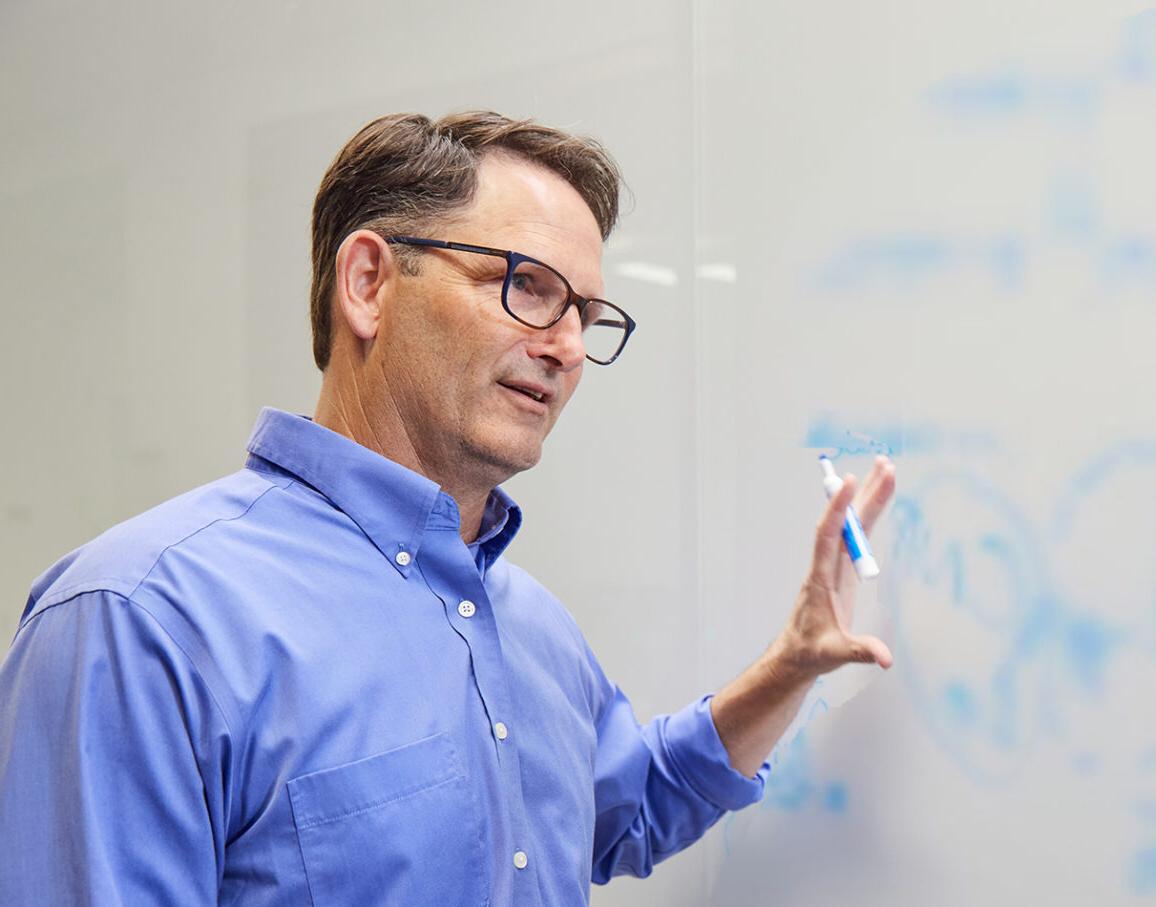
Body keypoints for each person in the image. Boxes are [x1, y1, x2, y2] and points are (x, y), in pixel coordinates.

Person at [0, 111, 896, 905]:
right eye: (529, 286)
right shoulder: (141, 619)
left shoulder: (533, 628)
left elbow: (626, 807)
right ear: (369, 284)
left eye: (587, 312)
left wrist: (790, 666)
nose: (569, 347)